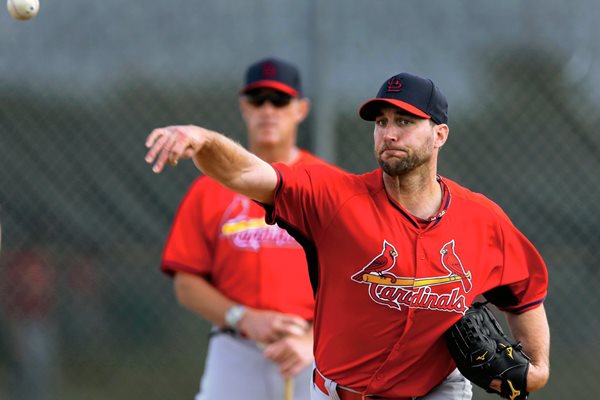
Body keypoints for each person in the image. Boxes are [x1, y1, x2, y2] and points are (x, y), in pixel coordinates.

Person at [145, 71, 550, 399]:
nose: (389, 133)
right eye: (381, 122)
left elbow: (525, 292)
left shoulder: (482, 220)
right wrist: (203, 139)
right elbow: (245, 173)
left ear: (439, 134)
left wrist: (538, 369)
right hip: (338, 391)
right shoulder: (336, 199)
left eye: (405, 122)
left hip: (436, 390)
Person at [159, 58, 337, 400]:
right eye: (258, 100)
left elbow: (356, 278)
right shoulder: (209, 187)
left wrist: (311, 339)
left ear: (301, 109)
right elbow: (186, 285)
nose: (268, 110)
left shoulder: (327, 185)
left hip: (314, 348)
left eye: (280, 100)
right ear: (244, 107)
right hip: (236, 346)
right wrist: (244, 318)